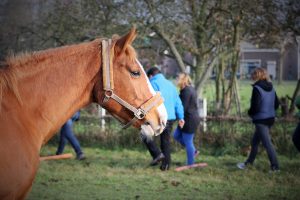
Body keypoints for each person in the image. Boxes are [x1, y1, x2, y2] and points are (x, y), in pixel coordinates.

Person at [237, 67, 280, 172]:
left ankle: (275, 167)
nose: (252, 76)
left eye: (254, 74)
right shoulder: (271, 87)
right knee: (255, 142)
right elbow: (277, 104)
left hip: (261, 120)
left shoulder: (257, 88)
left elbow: (255, 106)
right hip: (270, 119)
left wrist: (250, 113)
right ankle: (248, 163)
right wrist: (269, 111)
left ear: (258, 75)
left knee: (267, 143)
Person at [142, 67, 184, 171]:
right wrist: (181, 117)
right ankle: (166, 165)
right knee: (165, 141)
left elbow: (149, 101)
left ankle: (157, 154)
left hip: (158, 116)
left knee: (144, 133)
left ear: (151, 76)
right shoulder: (171, 85)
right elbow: (178, 102)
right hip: (170, 118)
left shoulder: (152, 84)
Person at [173, 73, 200, 166]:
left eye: (178, 79)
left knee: (188, 141)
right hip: (189, 118)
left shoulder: (186, 92)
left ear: (182, 80)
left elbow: (182, 108)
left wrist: (174, 117)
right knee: (176, 135)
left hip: (189, 120)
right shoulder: (188, 89)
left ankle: (190, 163)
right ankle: (194, 151)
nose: (176, 81)